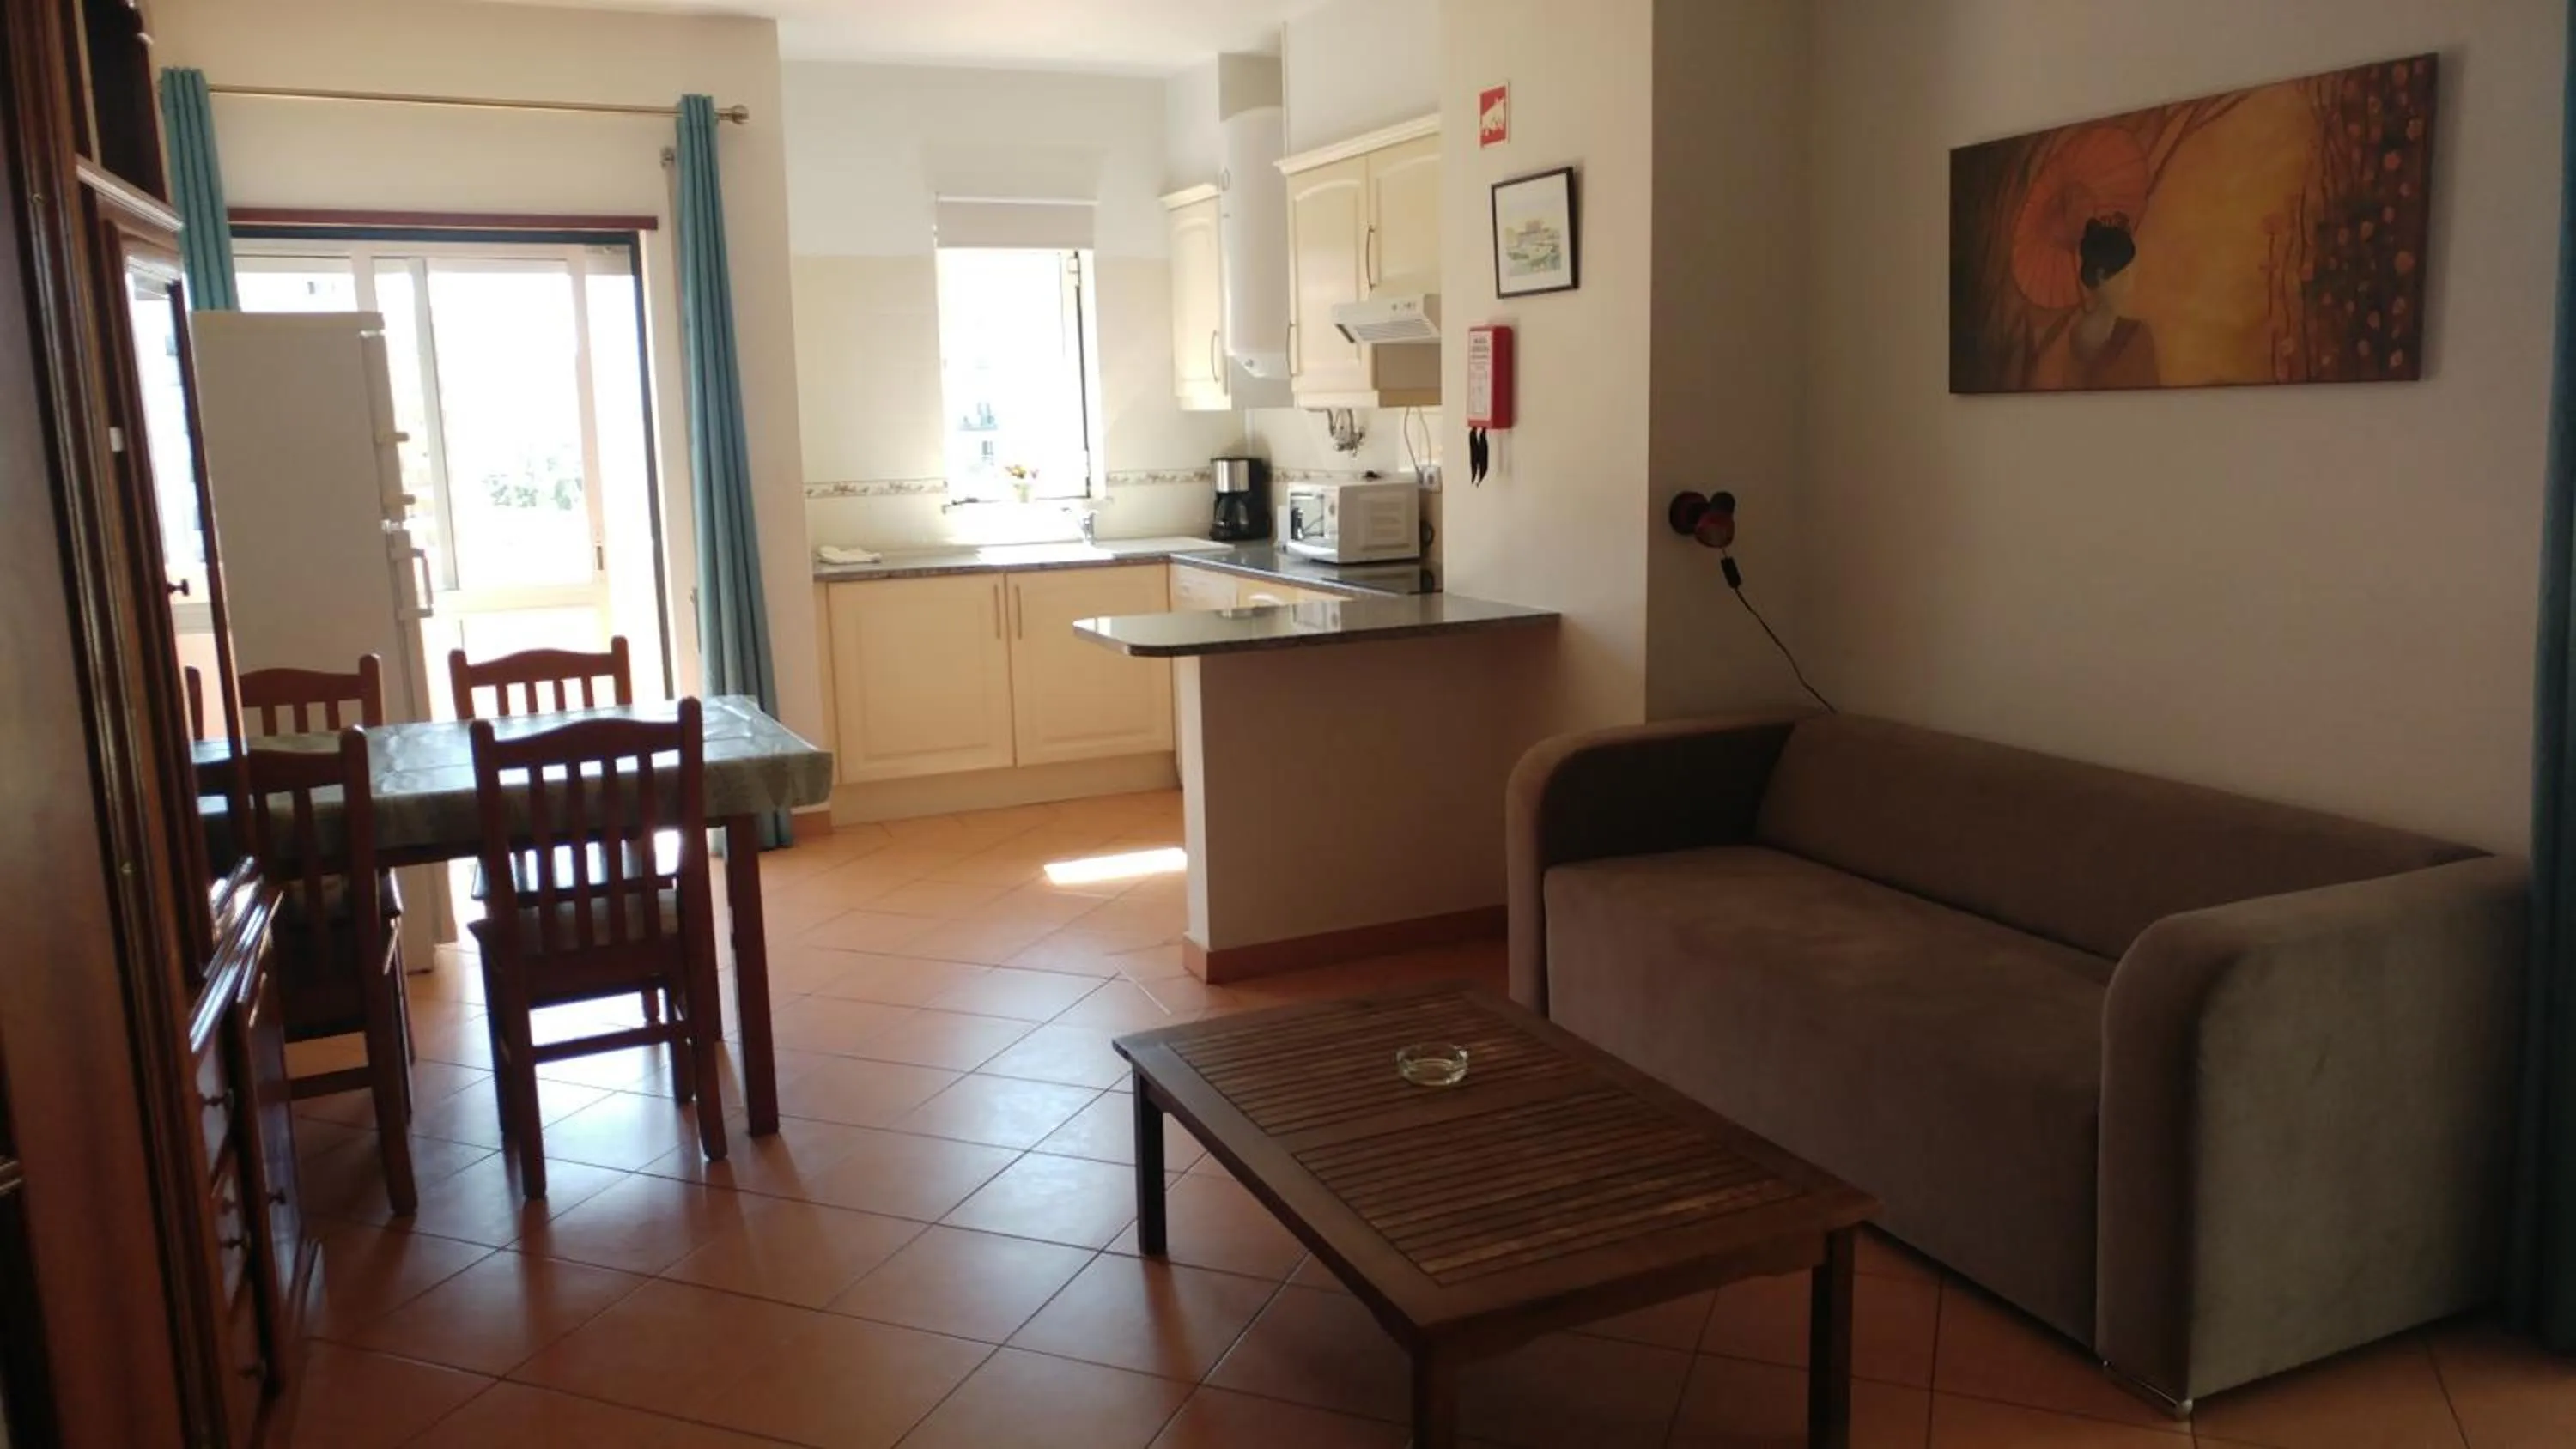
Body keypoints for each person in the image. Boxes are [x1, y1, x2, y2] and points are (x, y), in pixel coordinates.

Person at [2031, 215, 2160, 390]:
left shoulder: (2137, 336)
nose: (2130, 286)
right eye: (2123, 276)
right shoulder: (2060, 337)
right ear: (2101, 276)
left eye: (2132, 276)